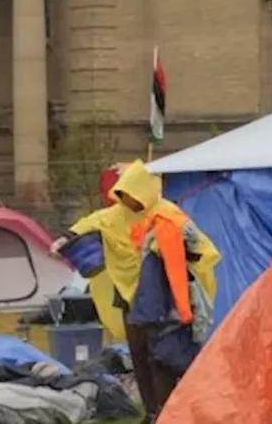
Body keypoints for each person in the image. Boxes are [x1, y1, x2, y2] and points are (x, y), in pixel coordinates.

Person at [52, 159, 219, 424]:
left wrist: (175, 251)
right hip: (130, 298)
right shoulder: (113, 216)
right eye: (124, 194)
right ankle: (152, 410)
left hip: (163, 299)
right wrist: (64, 240)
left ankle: (168, 409)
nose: (128, 200)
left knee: (163, 355)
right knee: (139, 354)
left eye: (132, 193)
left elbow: (201, 249)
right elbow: (86, 225)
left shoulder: (168, 214)